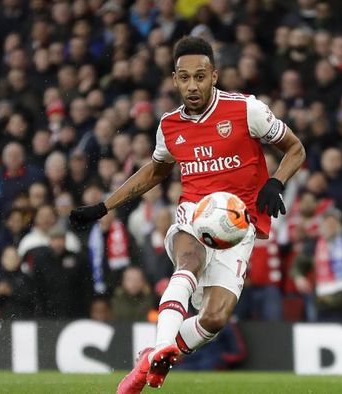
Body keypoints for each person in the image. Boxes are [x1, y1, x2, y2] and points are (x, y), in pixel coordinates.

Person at [69, 37, 305, 391]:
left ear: (214, 75)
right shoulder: (169, 126)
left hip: (239, 225)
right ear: (174, 79)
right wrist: (105, 206)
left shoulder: (246, 111)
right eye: (184, 78)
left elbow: (295, 148)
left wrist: (276, 181)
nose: (192, 86)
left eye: (199, 76)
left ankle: (152, 358)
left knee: (215, 318)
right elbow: (154, 170)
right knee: (189, 261)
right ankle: (163, 348)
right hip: (194, 212)